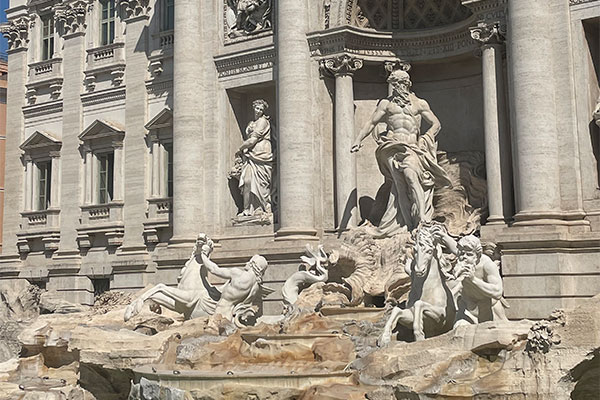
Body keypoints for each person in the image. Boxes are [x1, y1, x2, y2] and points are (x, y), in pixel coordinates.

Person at [351, 69, 451, 236]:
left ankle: (423, 218)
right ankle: (405, 224)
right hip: (392, 147)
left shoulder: (420, 103)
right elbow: (371, 122)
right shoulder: (386, 104)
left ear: (407, 83)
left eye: (401, 83)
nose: (398, 87)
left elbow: (436, 124)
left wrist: (425, 138)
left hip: (412, 148)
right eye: (395, 84)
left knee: (411, 176)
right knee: (399, 186)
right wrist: (358, 139)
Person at [433, 229, 507, 326]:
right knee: (459, 329)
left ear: (478, 255)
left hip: (488, 311)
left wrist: (473, 280)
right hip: (467, 310)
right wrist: (442, 235)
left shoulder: (487, 265)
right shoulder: (464, 257)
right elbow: (453, 246)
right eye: (461, 253)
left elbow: (497, 292)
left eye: (469, 254)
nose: (464, 257)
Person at [236, 99, 273, 217]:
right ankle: (247, 209)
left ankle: (262, 208)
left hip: (262, 153)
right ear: (253, 108)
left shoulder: (262, 121)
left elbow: (253, 140)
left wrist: (240, 149)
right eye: (257, 108)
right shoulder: (251, 123)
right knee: (247, 181)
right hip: (251, 155)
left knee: (261, 183)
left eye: (261, 109)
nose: (259, 111)